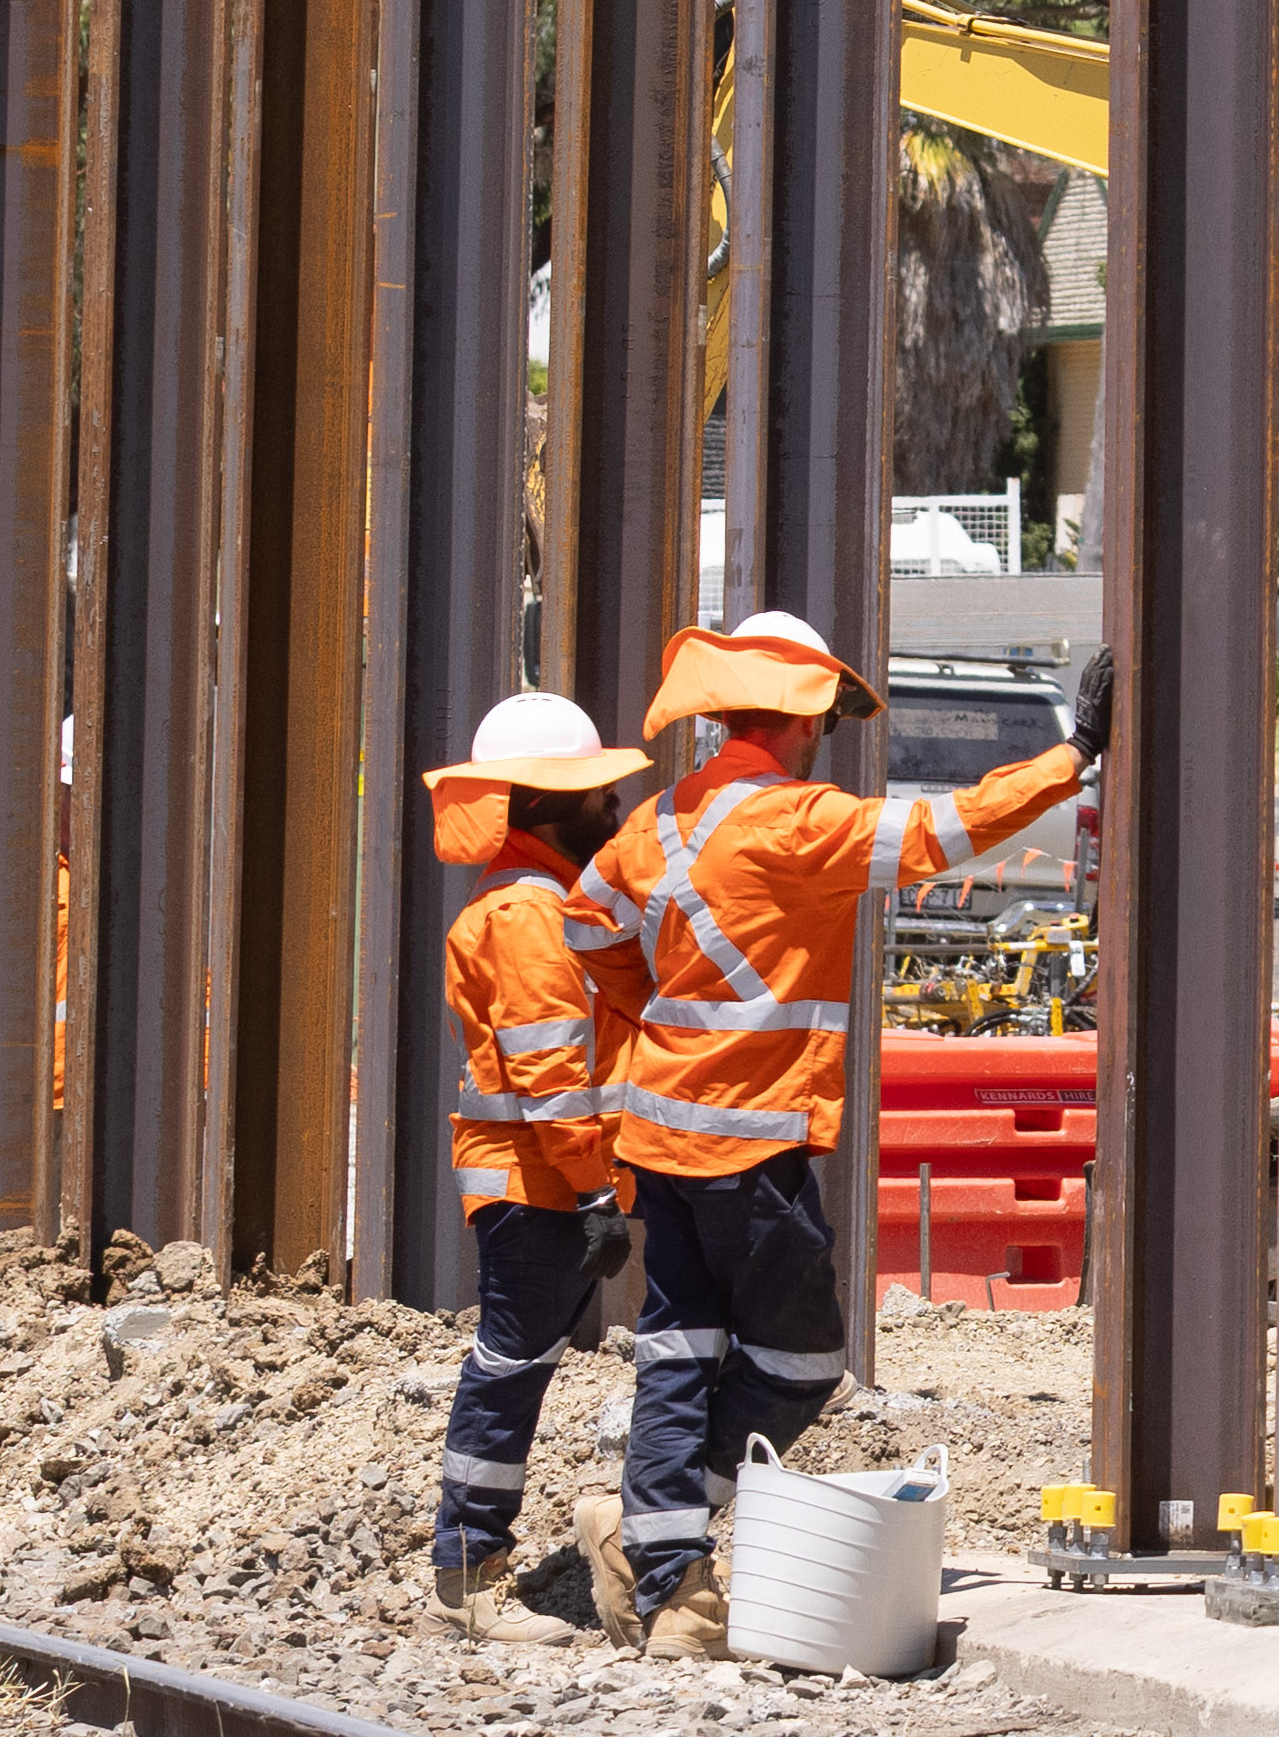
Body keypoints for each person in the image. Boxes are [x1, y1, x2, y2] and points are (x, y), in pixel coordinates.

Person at [567, 619, 1106, 1662]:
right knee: (801, 1359)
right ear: (807, 720)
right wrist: (1075, 753)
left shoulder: (662, 820)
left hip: (660, 1139)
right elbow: (947, 831)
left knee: (680, 1353)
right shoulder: (797, 821)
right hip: (748, 1144)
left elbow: (589, 926)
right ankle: (658, 1554)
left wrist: (658, 1010)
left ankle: (660, 1560)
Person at [415, 685, 658, 1632]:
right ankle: (469, 1573)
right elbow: (551, 1075)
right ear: (552, 804)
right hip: (538, 1183)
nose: (614, 809)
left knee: (522, 1359)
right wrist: (595, 1190)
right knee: (511, 1364)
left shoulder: (548, 902)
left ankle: (472, 1561)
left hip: (549, 1178)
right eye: (599, 796)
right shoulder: (527, 916)